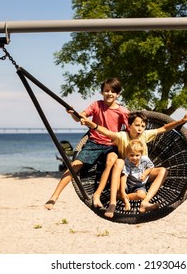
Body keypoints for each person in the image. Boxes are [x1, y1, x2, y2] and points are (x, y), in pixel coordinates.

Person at [81, 111, 187, 218]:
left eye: (143, 126)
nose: (140, 129)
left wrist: (181, 121)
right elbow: (107, 132)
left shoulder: (144, 135)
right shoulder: (122, 136)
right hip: (125, 176)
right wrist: (91, 124)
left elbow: (163, 128)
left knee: (163, 171)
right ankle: (113, 203)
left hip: (141, 175)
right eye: (137, 125)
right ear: (129, 125)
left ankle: (144, 202)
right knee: (119, 161)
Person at [44, 78, 129, 210]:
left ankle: (99, 195)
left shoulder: (122, 111)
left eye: (113, 91)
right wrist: (73, 114)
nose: (109, 93)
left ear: (118, 94)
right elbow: (81, 118)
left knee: (111, 160)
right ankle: (54, 197)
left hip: (111, 145)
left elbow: (130, 130)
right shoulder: (96, 105)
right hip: (93, 143)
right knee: (74, 166)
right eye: (106, 90)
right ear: (102, 92)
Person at [119, 139, 155, 212]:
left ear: (141, 154)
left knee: (141, 195)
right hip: (128, 185)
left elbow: (151, 166)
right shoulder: (127, 161)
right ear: (127, 154)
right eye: (131, 155)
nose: (134, 158)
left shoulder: (145, 159)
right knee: (119, 185)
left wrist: (145, 174)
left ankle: (120, 197)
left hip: (139, 186)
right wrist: (122, 190)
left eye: (137, 155)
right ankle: (124, 197)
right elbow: (124, 175)